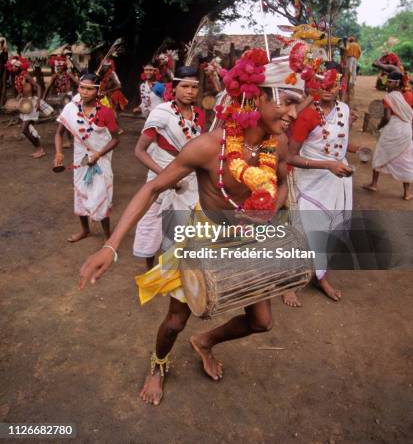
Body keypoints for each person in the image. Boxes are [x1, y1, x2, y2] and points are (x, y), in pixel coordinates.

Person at [78, 49, 304, 406]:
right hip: (204, 241)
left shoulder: (278, 144)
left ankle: (206, 342)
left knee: (262, 322)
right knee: (174, 322)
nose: (294, 114)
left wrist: (266, 215)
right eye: (287, 102)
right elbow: (152, 187)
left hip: (248, 243)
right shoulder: (209, 147)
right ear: (258, 96)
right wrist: (111, 246)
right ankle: (158, 364)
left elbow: (281, 187)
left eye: (299, 104)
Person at [285, 63, 357, 307]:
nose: (327, 87)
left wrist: (344, 157)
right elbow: (290, 157)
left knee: (327, 230)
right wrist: (327, 166)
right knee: (304, 231)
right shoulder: (306, 114)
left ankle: (320, 276)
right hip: (310, 180)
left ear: (341, 85)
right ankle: (290, 282)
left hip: (337, 179)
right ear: (314, 82)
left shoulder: (344, 109)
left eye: (333, 82)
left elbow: (340, 144)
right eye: (322, 81)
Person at [134, 67, 205, 269]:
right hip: (161, 173)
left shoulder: (199, 114)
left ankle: (170, 269)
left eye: (194, 87)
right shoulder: (162, 112)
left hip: (189, 178)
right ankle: (149, 269)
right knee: (152, 224)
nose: (190, 91)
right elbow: (140, 151)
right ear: (173, 88)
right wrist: (166, 177)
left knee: (181, 225)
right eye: (184, 86)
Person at [54, 73, 120, 242]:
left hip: (101, 159)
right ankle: (85, 230)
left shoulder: (106, 112)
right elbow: (59, 134)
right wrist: (59, 152)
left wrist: (98, 154)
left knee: (100, 195)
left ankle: (107, 236)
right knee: (80, 193)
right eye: (82, 87)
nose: (84, 92)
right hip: (80, 159)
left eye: (90, 89)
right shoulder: (71, 108)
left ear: (98, 91)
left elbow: (115, 140)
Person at [363, 90, 413, 200]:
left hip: (393, 128)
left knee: (380, 153)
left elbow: (386, 117)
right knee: (406, 159)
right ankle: (406, 193)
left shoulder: (390, 97)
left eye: (390, 82)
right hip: (406, 130)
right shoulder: (410, 95)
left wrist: (379, 126)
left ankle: (374, 184)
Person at [6, 55, 47, 158]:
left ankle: (40, 149)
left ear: (19, 66)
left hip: (31, 103)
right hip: (24, 103)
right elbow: (22, 91)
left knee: (24, 129)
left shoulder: (26, 75)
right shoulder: (16, 76)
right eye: (12, 66)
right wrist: (16, 102)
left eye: (15, 66)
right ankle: (39, 149)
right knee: (28, 127)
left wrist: (38, 101)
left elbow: (38, 86)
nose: (13, 68)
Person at [44, 55, 79, 148]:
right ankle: (70, 140)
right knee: (65, 120)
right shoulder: (55, 76)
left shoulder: (68, 74)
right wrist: (42, 99)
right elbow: (48, 87)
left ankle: (71, 140)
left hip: (68, 98)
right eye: (57, 66)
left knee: (66, 119)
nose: (59, 68)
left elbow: (78, 83)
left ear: (64, 66)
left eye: (60, 66)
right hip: (60, 99)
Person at [98, 58, 128, 134]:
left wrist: (107, 91)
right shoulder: (100, 73)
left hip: (112, 95)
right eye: (103, 66)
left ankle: (118, 128)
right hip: (102, 95)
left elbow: (119, 86)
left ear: (109, 67)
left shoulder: (112, 74)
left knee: (111, 112)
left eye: (106, 66)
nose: (104, 67)